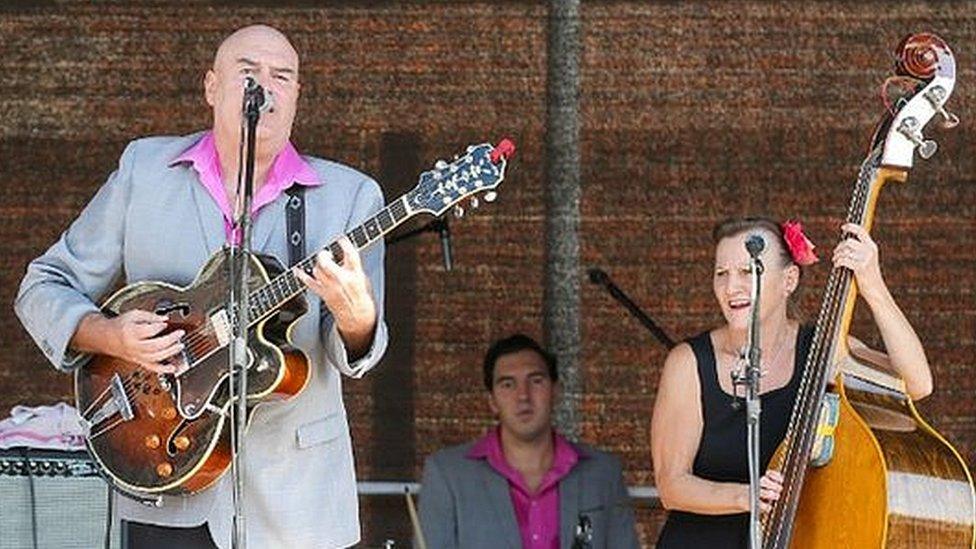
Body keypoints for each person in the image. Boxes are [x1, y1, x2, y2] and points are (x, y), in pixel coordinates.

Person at [14, 24, 387, 549]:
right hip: (163, 478)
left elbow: (356, 351)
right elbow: (43, 285)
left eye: (282, 77)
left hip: (297, 507)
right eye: (248, 72)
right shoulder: (145, 170)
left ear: (297, 97)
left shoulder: (350, 197)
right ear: (212, 87)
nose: (265, 88)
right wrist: (109, 336)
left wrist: (357, 318)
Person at [650, 216, 932, 547]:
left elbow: (916, 384)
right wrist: (747, 497)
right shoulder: (688, 362)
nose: (731, 288)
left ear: (789, 279)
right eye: (721, 274)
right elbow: (671, 486)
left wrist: (872, 285)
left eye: (748, 272)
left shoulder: (824, 350)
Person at [417, 334, 640, 549]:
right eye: (507, 384)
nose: (523, 395)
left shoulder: (603, 472)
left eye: (536, 381)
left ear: (556, 391)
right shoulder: (447, 474)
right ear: (492, 401)